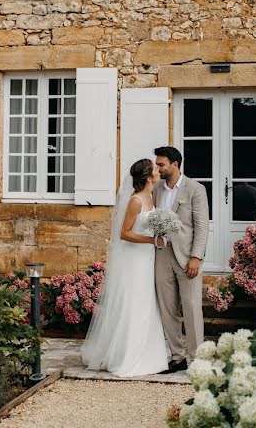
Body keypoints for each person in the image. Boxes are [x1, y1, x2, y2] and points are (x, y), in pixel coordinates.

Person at [80, 158, 170, 377]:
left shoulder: (151, 196)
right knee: (134, 302)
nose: (158, 171)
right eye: (154, 169)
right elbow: (124, 233)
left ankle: (150, 354)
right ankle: (128, 355)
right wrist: (151, 241)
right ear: (148, 178)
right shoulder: (136, 201)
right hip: (134, 259)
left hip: (147, 258)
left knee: (146, 302)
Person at [153, 146, 209, 372]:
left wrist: (196, 257)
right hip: (162, 255)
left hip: (187, 257)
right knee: (167, 308)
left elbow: (202, 226)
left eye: (161, 164)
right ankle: (177, 357)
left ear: (175, 164)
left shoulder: (195, 189)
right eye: (157, 164)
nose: (158, 168)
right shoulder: (156, 189)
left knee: (192, 307)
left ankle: (197, 359)